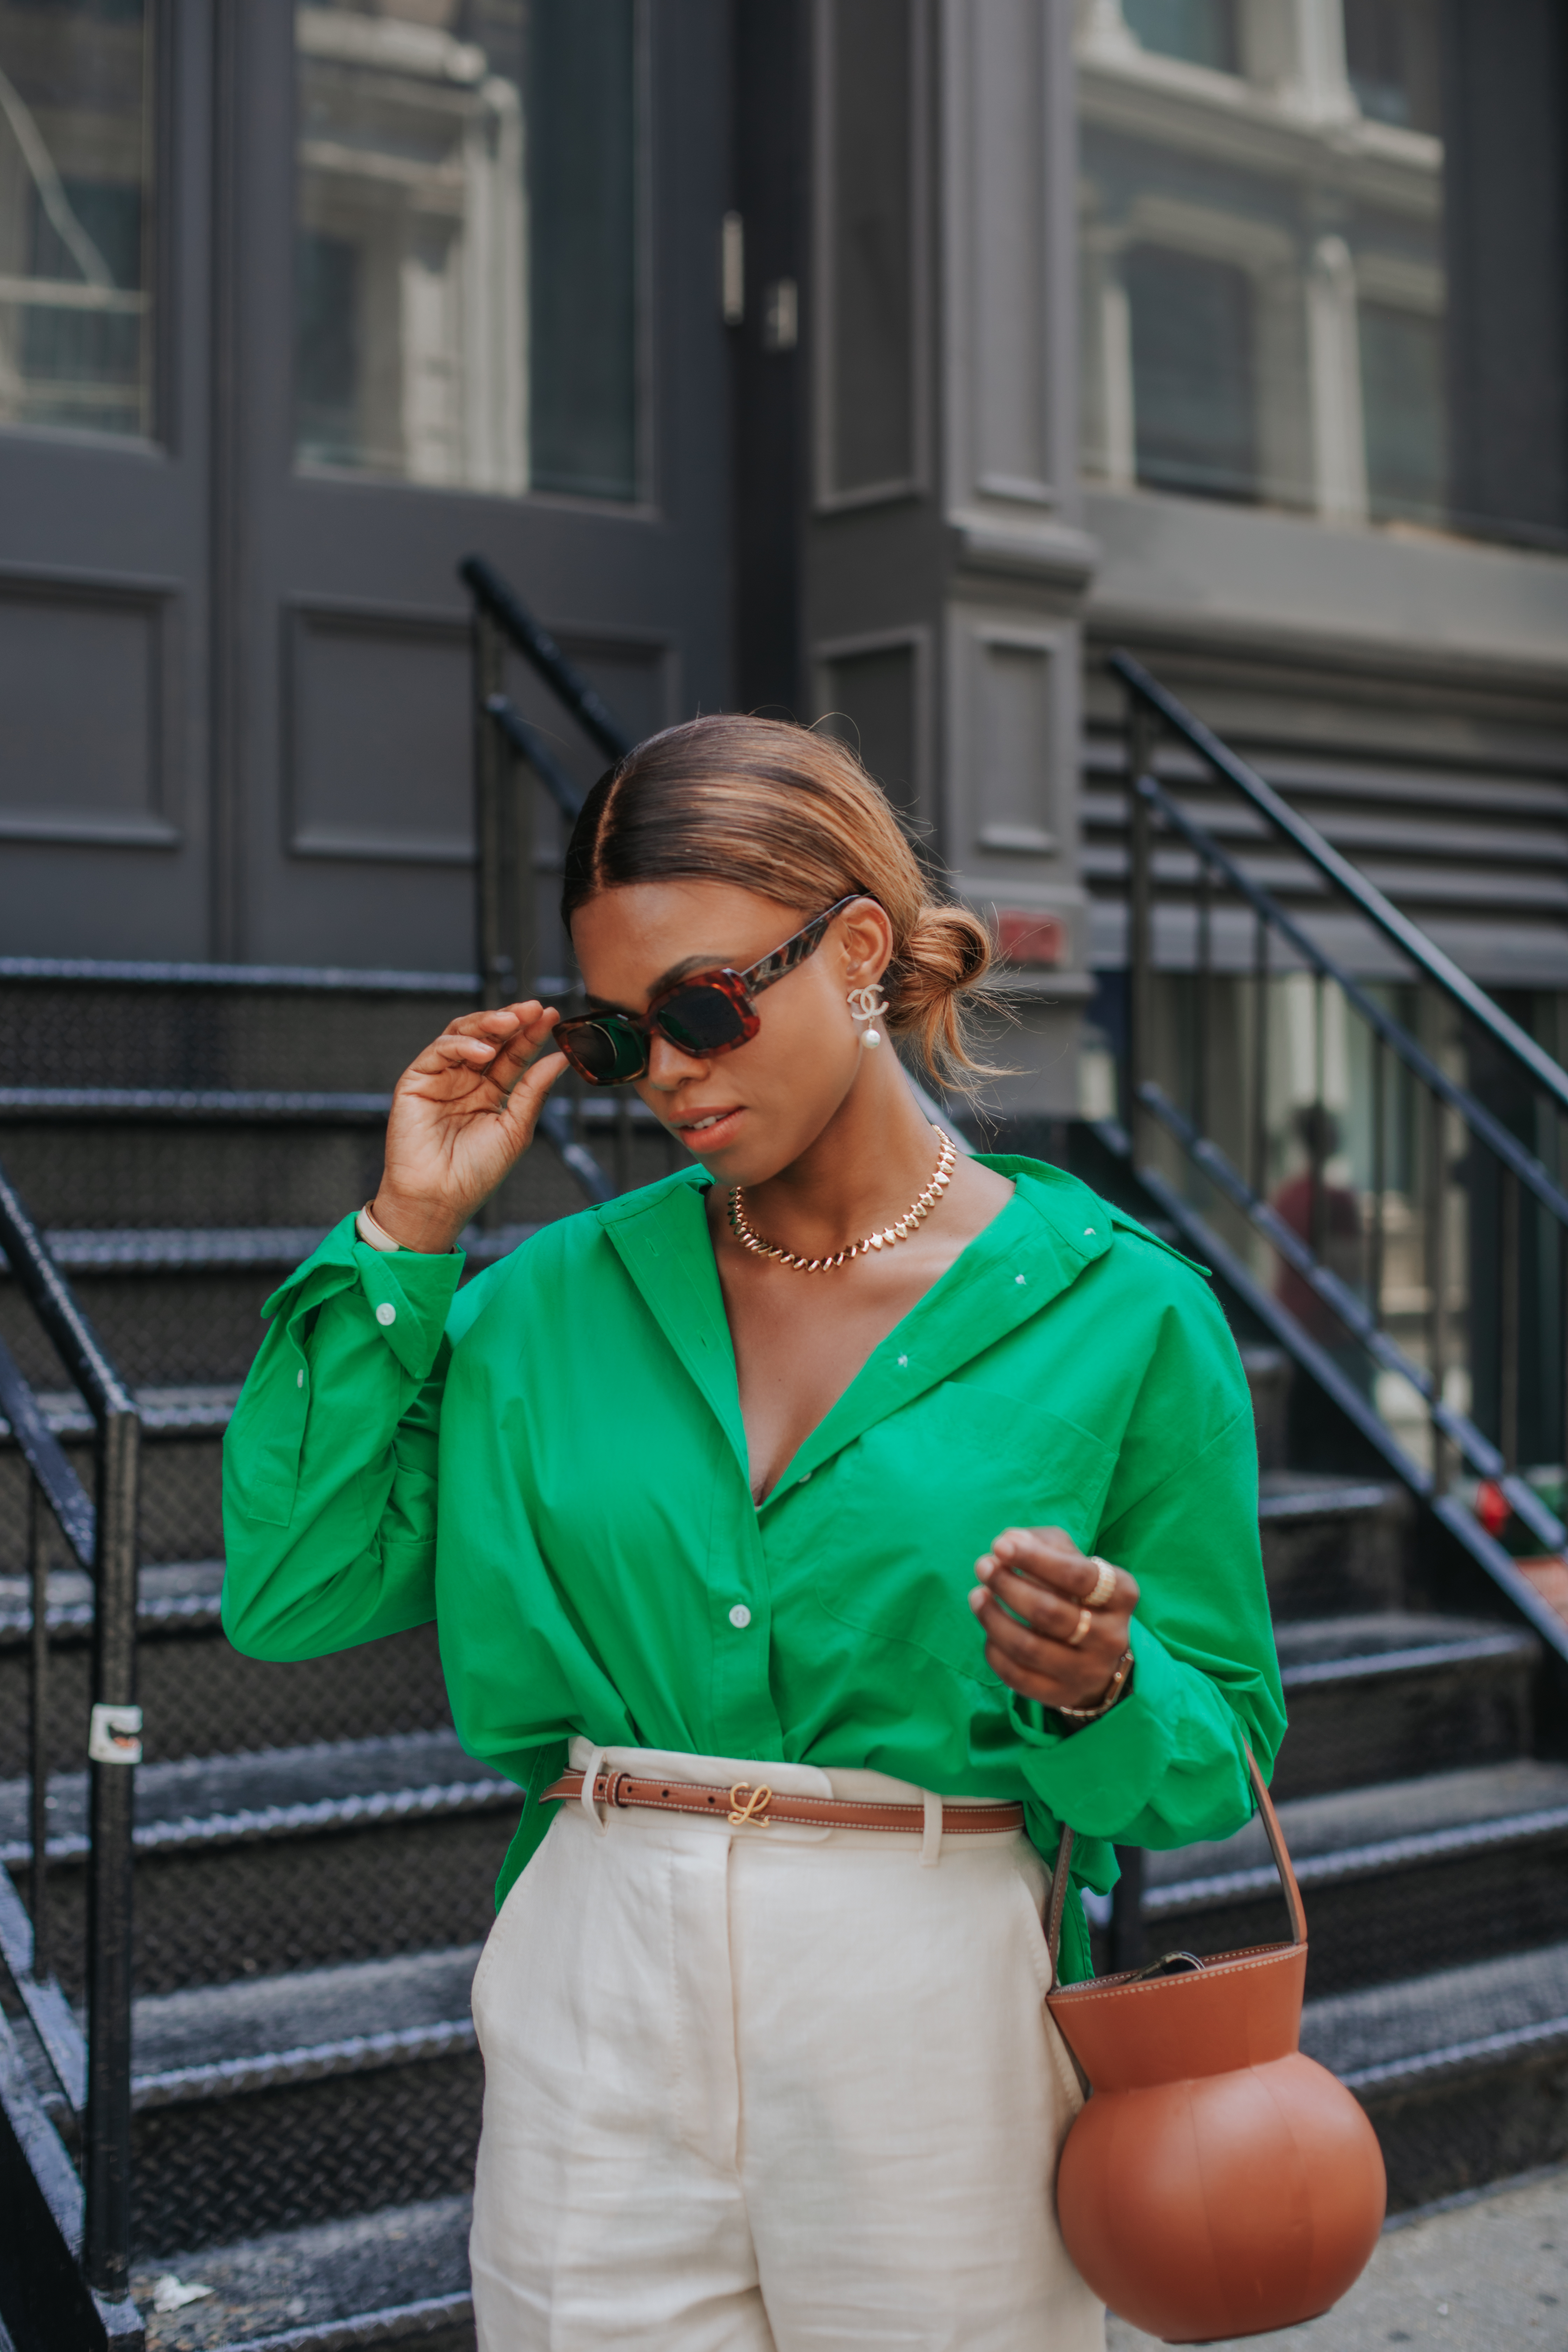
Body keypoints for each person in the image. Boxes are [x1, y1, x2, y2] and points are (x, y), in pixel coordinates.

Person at [222, 715, 1284, 2352]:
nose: (668, 1074)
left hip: (934, 1989)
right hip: (598, 1976)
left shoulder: (1123, 1315)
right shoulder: (534, 1311)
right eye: (618, 1031)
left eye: (706, 1007)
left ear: (858, 950)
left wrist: (1097, 1688)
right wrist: (409, 1229)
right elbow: (293, 1593)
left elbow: (1218, 1761)